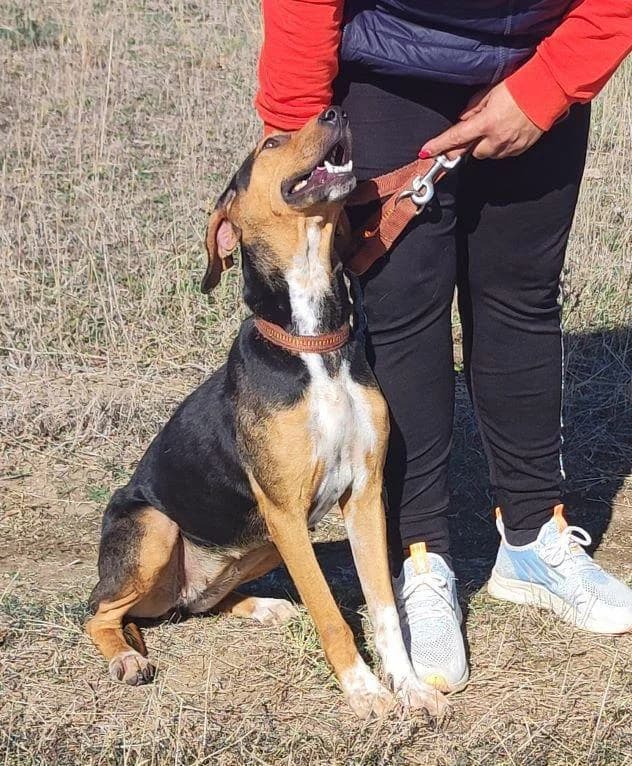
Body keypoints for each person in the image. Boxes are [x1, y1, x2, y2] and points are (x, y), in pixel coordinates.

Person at [255, 0, 632, 692]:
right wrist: (298, 126)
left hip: (543, 48)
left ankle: (532, 539)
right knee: (402, 306)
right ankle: (419, 555)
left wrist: (548, 86)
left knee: (522, 295)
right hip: (389, 64)